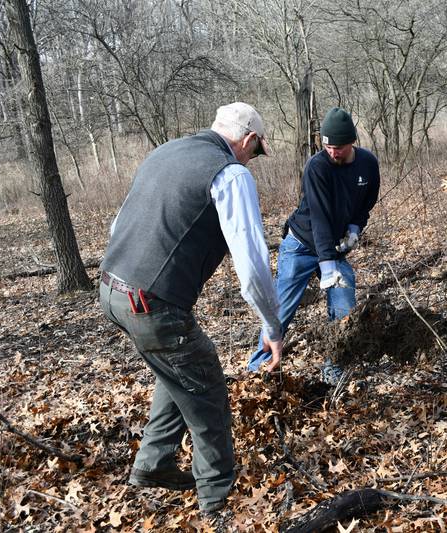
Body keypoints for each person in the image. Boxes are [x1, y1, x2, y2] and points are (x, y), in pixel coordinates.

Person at [98, 102, 283, 515]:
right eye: (255, 152)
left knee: (179, 368)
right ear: (249, 140)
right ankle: (217, 502)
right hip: (149, 302)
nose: (252, 160)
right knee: (208, 394)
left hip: (112, 288)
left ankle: (154, 464)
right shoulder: (230, 174)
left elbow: (119, 224)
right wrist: (272, 326)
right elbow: (251, 265)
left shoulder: (166, 151)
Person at [247, 107, 380, 384]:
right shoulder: (317, 167)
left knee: (344, 307)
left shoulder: (367, 164)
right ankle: (259, 370)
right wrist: (328, 265)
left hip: (333, 246)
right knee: (280, 309)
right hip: (301, 244)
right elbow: (319, 218)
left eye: (339, 147)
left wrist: (355, 228)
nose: (333, 152)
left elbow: (366, 203)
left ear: (352, 142)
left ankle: (334, 369)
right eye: (328, 146)